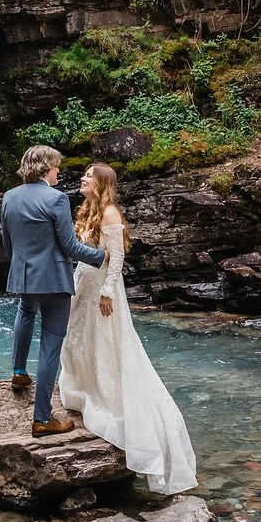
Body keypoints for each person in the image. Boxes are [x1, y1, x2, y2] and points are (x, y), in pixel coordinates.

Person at [58, 162, 197, 494]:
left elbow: (116, 257)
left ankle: (107, 398)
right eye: (84, 174)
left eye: (88, 175)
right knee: (76, 340)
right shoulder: (87, 210)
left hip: (102, 290)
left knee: (105, 343)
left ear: (102, 183)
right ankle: (83, 388)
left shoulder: (109, 213)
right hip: (83, 284)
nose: (82, 178)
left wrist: (107, 292)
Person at [1, 144, 107, 436]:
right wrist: (102, 257)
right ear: (47, 168)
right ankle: (42, 418)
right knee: (51, 343)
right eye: (57, 167)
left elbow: (7, 243)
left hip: (23, 276)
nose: (59, 172)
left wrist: (21, 265)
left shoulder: (9, 197)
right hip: (53, 280)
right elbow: (70, 247)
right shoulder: (56, 199)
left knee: (25, 312)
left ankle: (19, 372)